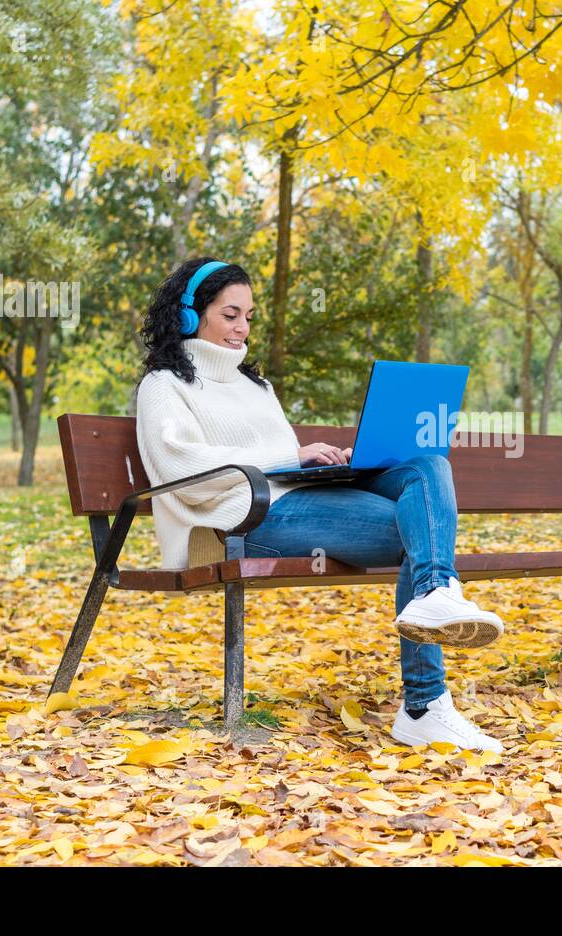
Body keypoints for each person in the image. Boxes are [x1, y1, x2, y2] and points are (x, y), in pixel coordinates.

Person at [133, 257, 506, 752]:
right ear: (189, 315)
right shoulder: (164, 386)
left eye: (249, 316)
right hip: (243, 519)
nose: (243, 328)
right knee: (419, 534)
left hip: (298, 495)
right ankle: (425, 704)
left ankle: (436, 596)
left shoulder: (256, 386)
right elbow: (184, 474)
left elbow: (282, 461)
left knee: (425, 463)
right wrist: (292, 455)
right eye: (230, 314)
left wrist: (340, 464)